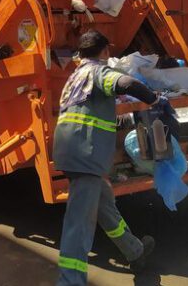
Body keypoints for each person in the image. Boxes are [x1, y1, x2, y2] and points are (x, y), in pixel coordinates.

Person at [53, 30, 163, 286]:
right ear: (104, 52)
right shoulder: (97, 72)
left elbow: (91, 109)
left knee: (105, 207)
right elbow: (126, 84)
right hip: (86, 155)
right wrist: (153, 98)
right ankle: (70, 281)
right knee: (78, 224)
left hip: (72, 152)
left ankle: (134, 251)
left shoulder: (75, 76)